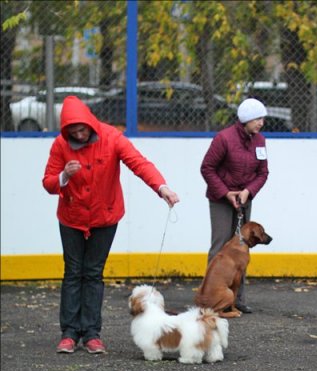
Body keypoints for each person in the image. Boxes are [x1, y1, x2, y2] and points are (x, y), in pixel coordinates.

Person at [43, 96, 180, 354]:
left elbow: (139, 163)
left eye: (83, 130)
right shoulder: (61, 145)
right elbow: (48, 182)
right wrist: (64, 176)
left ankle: (92, 334)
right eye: (74, 132)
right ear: (66, 132)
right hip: (71, 217)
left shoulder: (112, 137)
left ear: (90, 124)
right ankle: (69, 334)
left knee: (93, 273)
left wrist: (162, 188)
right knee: (73, 273)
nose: (80, 135)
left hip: (105, 217)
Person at [200, 98, 270, 314]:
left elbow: (263, 172)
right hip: (221, 199)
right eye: (258, 119)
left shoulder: (259, 141)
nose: (261, 123)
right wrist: (225, 192)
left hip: (244, 198)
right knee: (220, 245)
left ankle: (237, 299)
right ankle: (209, 299)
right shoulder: (224, 139)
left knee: (243, 247)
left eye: (262, 118)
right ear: (246, 119)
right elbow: (207, 168)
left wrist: (248, 191)